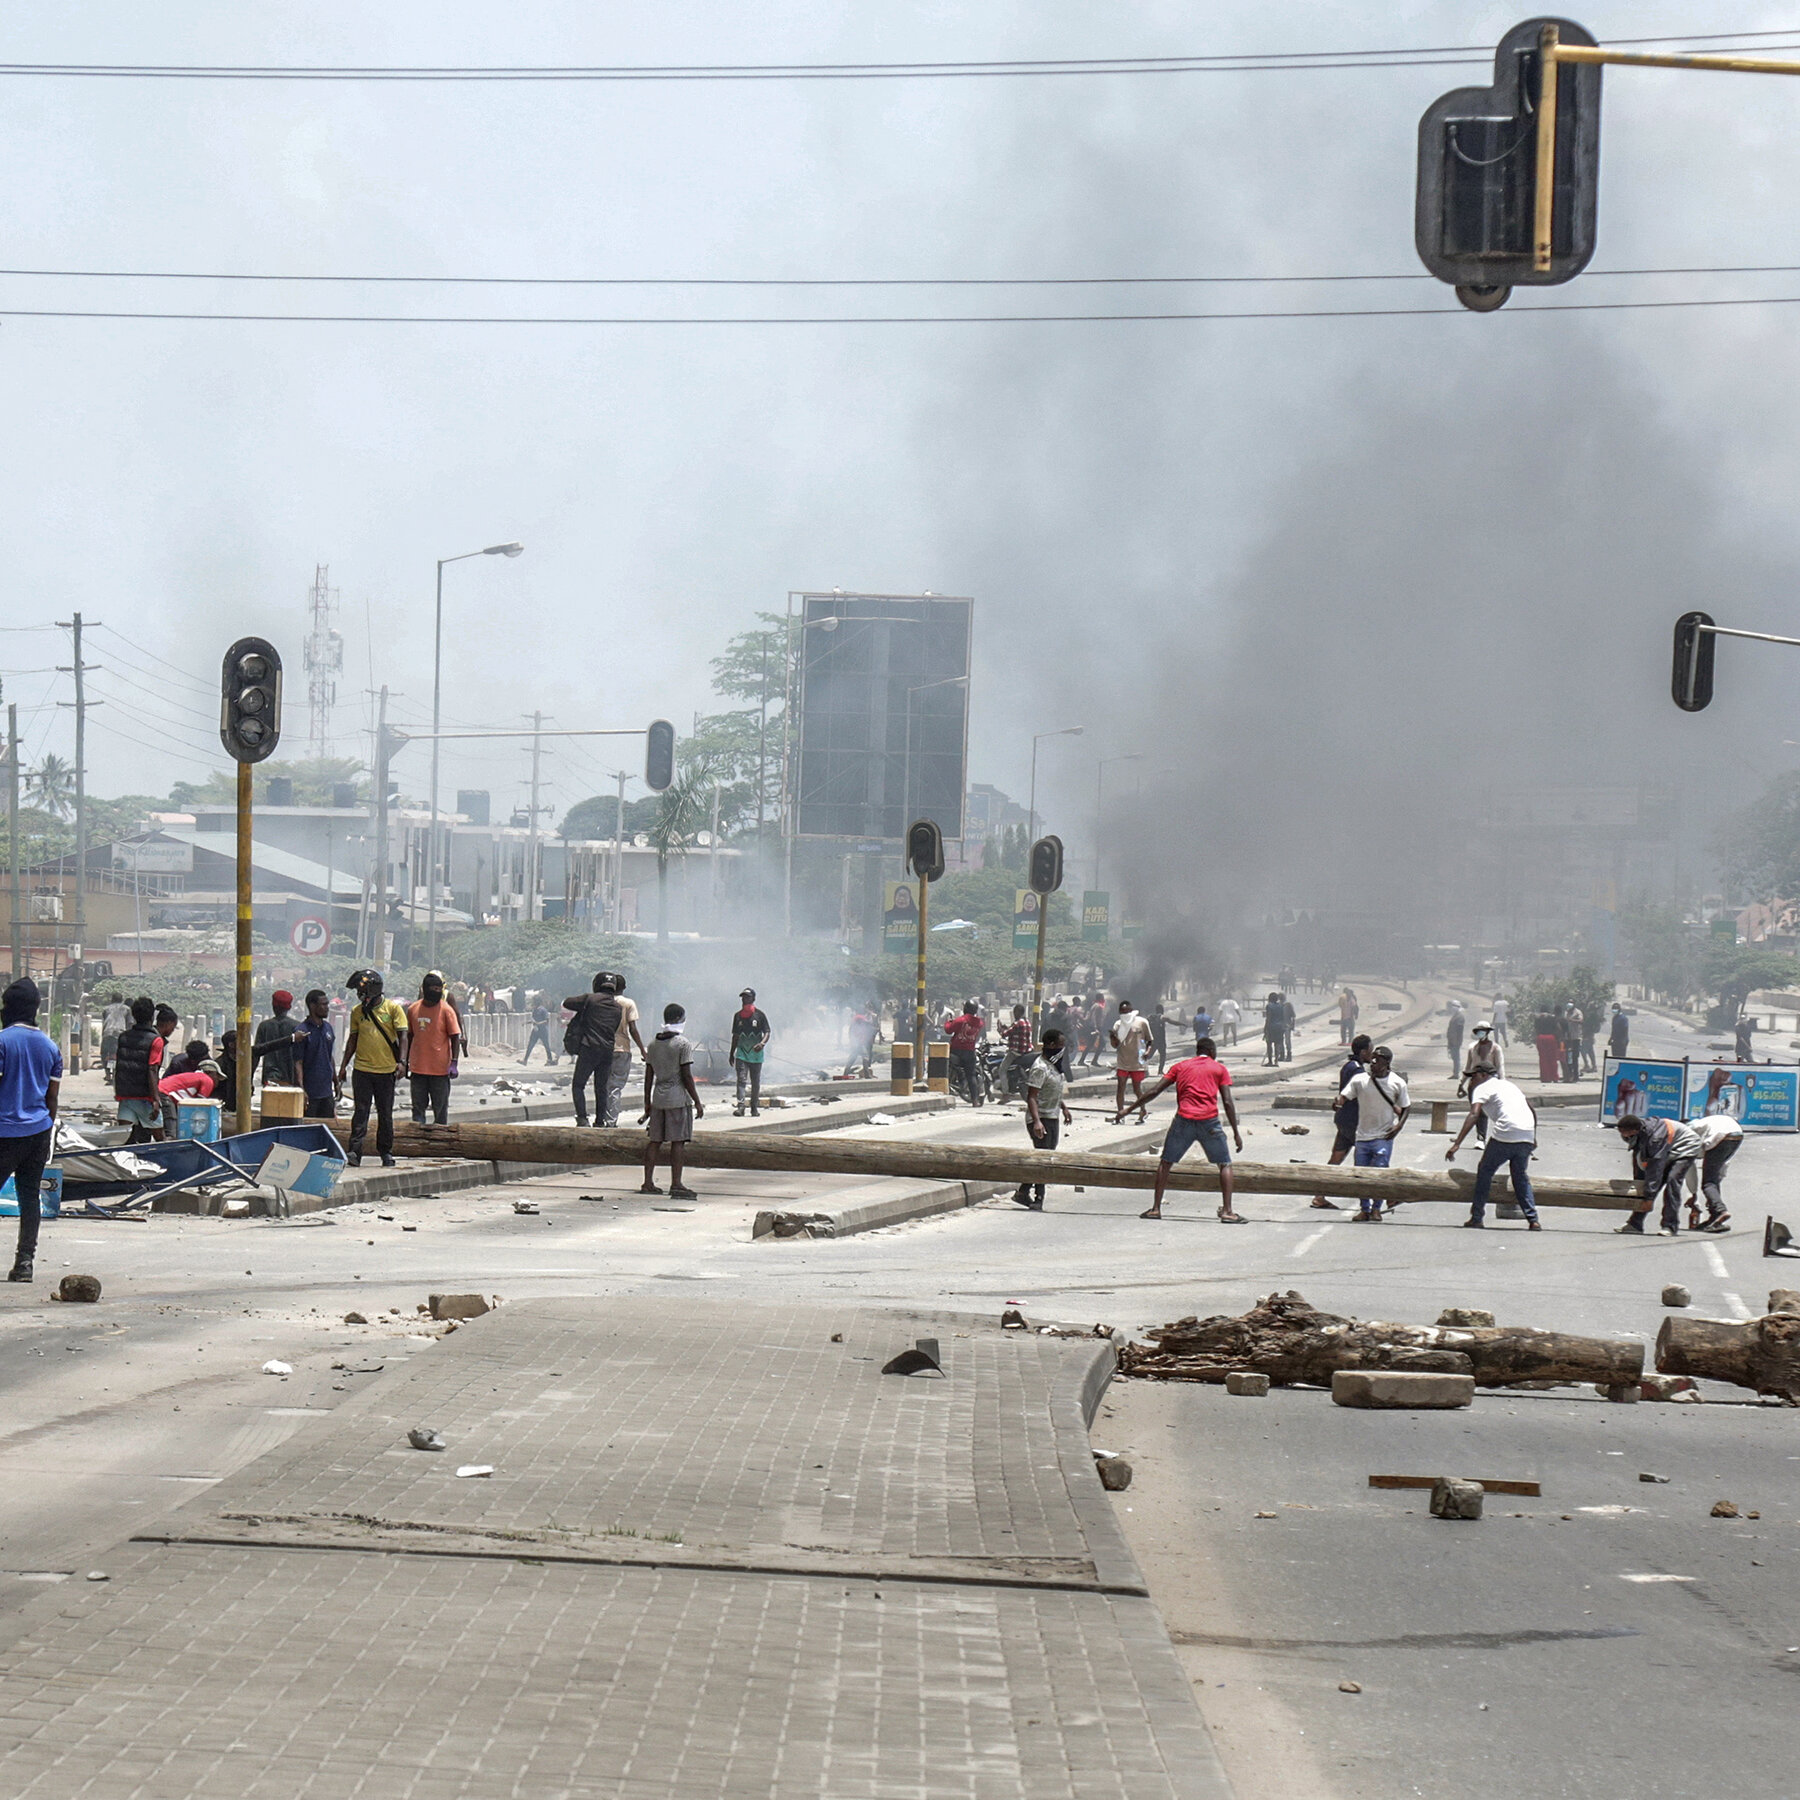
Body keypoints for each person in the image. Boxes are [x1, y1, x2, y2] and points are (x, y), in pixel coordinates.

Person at [1136, 1037, 1246, 1224]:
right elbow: (1227, 1101)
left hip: (1184, 1120)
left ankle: (1155, 1209)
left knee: (1165, 1163)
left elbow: (1154, 1091)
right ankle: (1228, 1211)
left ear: (1197, 1051)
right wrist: (1236, 1132)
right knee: (1225, 1164)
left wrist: (1128, 1109)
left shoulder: (1181, 1066)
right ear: (1212, 1052)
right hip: (1209, 1121)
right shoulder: (1219, 1069)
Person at [0, 978, 61, 1283]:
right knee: (29, 1198)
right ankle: (25, 1262)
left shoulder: (2, 1041)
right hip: (38, 1131)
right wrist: (47, 1132)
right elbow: (52, 1098)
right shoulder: (51, 1047)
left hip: (4, 1132)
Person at [1446, 1073, 1542, 1229]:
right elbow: (1530, 1107)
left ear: (1482, 1075)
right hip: (1526, 1133)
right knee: (1520, 1176)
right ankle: (1533, 1220)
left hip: (1506, 1134)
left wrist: (1457, 1143)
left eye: (1473, 1078)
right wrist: (1533, 1136)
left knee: (1485, 1171)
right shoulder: (1509, 1085)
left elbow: (1473, 1114)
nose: (1471, 1083)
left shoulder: (1482, 1087)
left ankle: (1477, 1217)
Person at [336, 971, 409, 1167]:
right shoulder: (357, 1012)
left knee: (385, 1114)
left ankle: (386, 1151)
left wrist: (401, 1062)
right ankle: (354, 1151)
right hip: (362, 1070)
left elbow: (403, 1036)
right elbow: (352, 1040)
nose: (361, 995)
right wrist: (343, 1067)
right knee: (361, 1112)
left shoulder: (393, 1009)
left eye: (363, 991)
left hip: (386, 1071)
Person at [639, 1001, 704, 1198]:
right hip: (677, 1099)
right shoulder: (683, 1044)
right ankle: (676, 1183)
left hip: (658, 1098)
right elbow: (686, 1076)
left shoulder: (652, 1044)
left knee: (655, 1141)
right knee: (677, 1142)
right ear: (677, 1019)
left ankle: (648, 1182)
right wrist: (697, 1101)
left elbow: (649, 1077)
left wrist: (647, 1103)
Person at [1338, 1045, 1410, 1220]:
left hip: (1383, 1136)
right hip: (1362, 1136)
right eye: (1373, 1058)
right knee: (1361, 1175)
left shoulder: (1397, 1083)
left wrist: (1398, 1126)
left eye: (1378, 1060)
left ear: (1387, 1063)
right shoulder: (1360, 1080)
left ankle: (1376, 1208)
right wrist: (1338, 1102)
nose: (1373, 1062)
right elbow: (1345, 1096)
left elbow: (1406, 1107)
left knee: (1380, 1175)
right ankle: (1365, 1209)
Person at [1012, 1028, 1072, 1210]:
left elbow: (1052, 1091)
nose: (1063, 1049)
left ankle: (1023, 1192)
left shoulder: (1054, 1065)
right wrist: (1037, 1121)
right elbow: (1032, 1096)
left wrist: (1064, 1108)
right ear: (1051, 1045)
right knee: (1043, 1158)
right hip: (1040, 1118)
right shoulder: (1040, 1067)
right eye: (1060, 1046)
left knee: (1046, 1157)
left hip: (1052, 1116)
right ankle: (1038, 1198)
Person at [1311, 1033, 1372, 1210]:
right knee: (1368, 1158)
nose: (1372, 1055)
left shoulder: (1349, 1066)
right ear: (1362, 1052)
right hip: (1353, 1121)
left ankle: (1319, 1195)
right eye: (1370, 1051)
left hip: (1344, 1119)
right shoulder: (1358, 1071)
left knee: (1336, 1158)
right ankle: (1376, 1198)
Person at [1614, 1113, 1701, 1237]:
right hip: (1668, 1148)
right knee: (1651, 1184)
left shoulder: (1655, 1138)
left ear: (1634, 1130)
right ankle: (1635, 1224)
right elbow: (1639, 1160)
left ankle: (1669, 1226)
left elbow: (1655, 1168)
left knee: (1672, 1181)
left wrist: (1648, 1198)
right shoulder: (1637, 1134)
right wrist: (1639, 1186)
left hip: (1685, 1147)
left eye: (1624, 1132)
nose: (1622, 1135)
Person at [561, 975, 623, 1128]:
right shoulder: (617, 1008)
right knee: (601, 1087)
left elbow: (567, 1002)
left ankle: (582, 1118)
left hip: (589, 1047)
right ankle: (600, 1121)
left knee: (578, 1084)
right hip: (607, 1050)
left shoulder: (590, 999)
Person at [405, 970, 463, 1127]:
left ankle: (440, 1145)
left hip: (440, 1071)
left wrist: (454, 1062)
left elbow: (455, 1037)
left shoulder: (446, 1010)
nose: (437, 993)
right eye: (434, 989)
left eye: (440, 989)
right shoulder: (413, 1010)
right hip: (418, 1070)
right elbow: (409, 1036)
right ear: (425, 989)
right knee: (418, 1111)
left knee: (440, 1111)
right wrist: (405, 1061)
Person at [113, 995, 165, 1143]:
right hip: (145, 1098)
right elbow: (152, 1070)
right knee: (160, 1138)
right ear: (152, 1017)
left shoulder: (123, 1037)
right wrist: (156, 1099)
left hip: (125, 1095)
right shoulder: (156, 1040)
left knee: (125, 1140)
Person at [1685, 1111, 1742, 1233]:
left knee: (1707, 1183)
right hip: (1737, 1133)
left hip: (1720, 1135)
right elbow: (1723, 1164)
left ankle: (1721, 1211)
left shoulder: (1688, 1132)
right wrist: (1713, 1194)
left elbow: (1690, 1166)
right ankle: (1715, 1216)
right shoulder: (1703, 1125)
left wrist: (1693, 1194)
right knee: (1712, 1180)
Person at [602, 973, 646, 1127]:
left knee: (603, 1085)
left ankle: (601, 1119)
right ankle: (611, 1122)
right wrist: (642, 1049)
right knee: (615, 1087)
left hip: (603, 1048)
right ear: (624, 987)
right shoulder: (628, 1003)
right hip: (621, 1049)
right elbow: (632, 1029)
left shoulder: (602, 1002)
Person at [287, 989, 339, 1118]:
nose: (327, 1008)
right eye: (324, 1004)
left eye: (327, 1004)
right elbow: (298, 1062)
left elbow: (329, 1056)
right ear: (312, 1006)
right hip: (310, 1093)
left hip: (326, 1092)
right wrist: (301, 1089)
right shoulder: (302, 1031)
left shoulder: (328, 1028)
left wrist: (336, 1082)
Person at [1109, 999, 1154, 1123]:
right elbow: (1115, 1045)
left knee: (1137, 1089)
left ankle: (1143, 1111)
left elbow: (1150, 1040)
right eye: (1122, 1012)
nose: (1125, 1014)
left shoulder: (1142, 1022)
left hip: (1137, 1062)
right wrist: (1113, 1037)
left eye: (1126, 1011)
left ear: (1131, 1010)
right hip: (1123, 1061)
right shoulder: (1118, 1025)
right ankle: (1120, 1114)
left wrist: (1147, 1052)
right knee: (1120, 1088)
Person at [730, 987, 773, 1115]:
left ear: (753, 999)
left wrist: (762, 1043)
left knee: (755, 1081)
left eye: (747, 997)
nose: (745, 999)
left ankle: (754, 1107)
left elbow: (767, 1031)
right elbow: (735, 1036)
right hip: (742, 1052)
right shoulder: (737, 1016)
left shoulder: (760, 1015)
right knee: (741, 1079)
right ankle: (741, 1106)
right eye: (743, 997)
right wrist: (731, 1052)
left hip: (756, 1054)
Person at [251, 989, 300, 1092]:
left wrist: (249, 1078)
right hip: (291, 1077)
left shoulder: (264, 1026)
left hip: (270, 1077)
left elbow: (256, 1054)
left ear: (273, 1006)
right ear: (289, 1007)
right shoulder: (297, 1026)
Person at [944, 999, 986, 1106]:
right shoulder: (979, 1023)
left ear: (965, 1009)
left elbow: (948, 1030)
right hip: (970, 1051)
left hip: (956, 1051)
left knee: (945, 1064)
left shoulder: (961, 1020)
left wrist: (948, 1022)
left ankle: (950, 1086)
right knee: (971, 1076)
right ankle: (975, 1100)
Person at [999, 1004, 1034, 1098]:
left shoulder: (1018, 1023)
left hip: (1016, 1052)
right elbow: (1013, 1031)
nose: (1014, 1014)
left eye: (1015, 1012)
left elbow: (1005, 1034)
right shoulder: (1027, 1022)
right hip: (1027, 1051)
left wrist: (1001, 1029)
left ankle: (1005, 1094)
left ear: (1018, 1012)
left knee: (1002, 1070)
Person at [99, 991, 129, 1082]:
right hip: (121, 1034)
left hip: (107, 1033)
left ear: (112, 1000)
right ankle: (118, 1073)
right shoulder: (127, 1009)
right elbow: (129, 1023)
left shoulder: (106, 1009)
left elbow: (105, 1020)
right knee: (121, 1054)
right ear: (122, 1000)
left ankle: (108, 1074)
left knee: (104, 1053)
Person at [848, 1004, 881, 1079]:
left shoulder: (856, 1018)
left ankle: (846, 1072)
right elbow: (868, 1024)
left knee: (853, 1057)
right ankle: (867, 1074)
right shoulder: (860, 1018)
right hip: (859, 1041)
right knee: (865, 1056)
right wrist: (875, 1028)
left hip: (856, 1041)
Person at [522, 999, 556, 1066]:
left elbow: (546, 1021)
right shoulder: (534, 1010)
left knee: (546, 1045)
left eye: (533, 1003)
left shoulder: (543, 1010)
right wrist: (526, 1022)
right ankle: (525, 1060)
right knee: (530, 1045)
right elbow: (533, 1020)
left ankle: (550, 1060)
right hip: (535, 1030)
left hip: (543, 1030)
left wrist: (538, 1023)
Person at [1533, 1009, 1561, 1084]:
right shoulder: (1552, 1018)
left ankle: (1545, 1078)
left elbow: (1536, 1030)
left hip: (1541, 1037)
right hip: (1551, 1037)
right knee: (1553, 1058)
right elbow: (1558, 1028)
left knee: (1543, 1059)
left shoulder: (1538, 1019)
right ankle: (1554, 1077)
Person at [1560, 1003, 1584, 1084]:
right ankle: (1569, 1075)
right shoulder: (1566, 1013)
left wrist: (1572, 1020)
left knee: (1574, 1057)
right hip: (1567, 1039)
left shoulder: (1577, 1012)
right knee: (1567, 1057)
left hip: (1575, 1038)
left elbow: (1581, 1021)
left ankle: (1575, 1076)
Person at [1445, 1001, 1466, 1077]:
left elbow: (1460, 1030)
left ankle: (1456, 1073)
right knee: (1454, 1057)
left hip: (1455, 1040)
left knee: (1456, 1057)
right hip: (1452, 1040)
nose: (1452, 1008)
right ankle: (1455, 1072)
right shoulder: (1455, 1016)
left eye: (1454, 1006)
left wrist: (1457, 1041)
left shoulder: (1460, 1017)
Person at [1262, 993, 1283, 1067]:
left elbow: (1269, 1018)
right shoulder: (1280, 1006)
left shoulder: (1269, 1006)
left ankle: (1270, 1061)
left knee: (1269, 1044)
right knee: (1277, 1044)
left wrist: (1265, 1028)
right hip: (1279, 1027)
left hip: (1271, 1027)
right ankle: (1276, 1061)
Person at [1279, 991, 1297, 1062]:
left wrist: (1292, 1025)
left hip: (1287, 1026)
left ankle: (1289, 1055)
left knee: (1287, 1041)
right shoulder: (1278, 1006)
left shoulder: (1288, 1005)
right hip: (1280, 1026)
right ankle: (1282, 1055)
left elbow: (1293, 1016)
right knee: (1280, 1041)